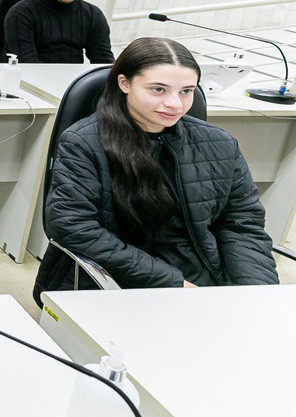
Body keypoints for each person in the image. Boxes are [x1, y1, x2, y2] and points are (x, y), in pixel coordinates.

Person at [34, 37, 278, 304]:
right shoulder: (84, 142)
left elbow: (242, 224)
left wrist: (256, 293)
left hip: (202, 279)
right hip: (116, 278)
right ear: (125, 83)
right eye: (158, 89)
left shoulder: (220, 143)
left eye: (186, 91)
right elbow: (73, 226)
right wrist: (173, 284)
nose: (175, 103)